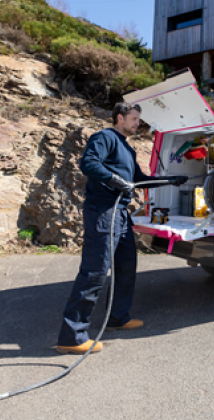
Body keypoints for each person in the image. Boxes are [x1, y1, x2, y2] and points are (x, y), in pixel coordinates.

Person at [56, 102, 186, 354]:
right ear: (120, 118)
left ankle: (117, 317)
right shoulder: (105, 137)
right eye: (134, 118)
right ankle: (71, 337)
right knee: (94, 272)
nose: (138, 123)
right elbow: (90, 164)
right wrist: (116, 181)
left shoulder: (126, 147)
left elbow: (138, 180)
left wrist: (169, 180)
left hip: (121, 215)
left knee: (126, 266)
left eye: (138, 119)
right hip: (104, 211)